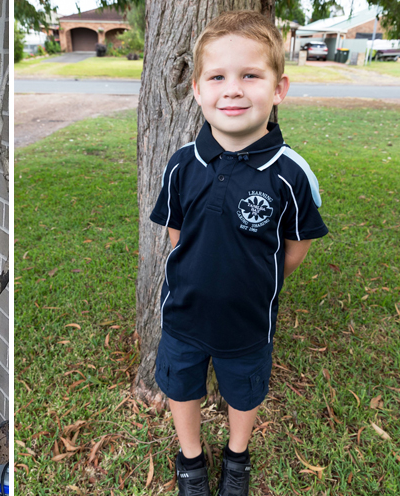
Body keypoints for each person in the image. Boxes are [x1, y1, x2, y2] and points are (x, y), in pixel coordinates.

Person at [149, 11, 328, 496]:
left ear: (278, 89)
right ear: (198, 90)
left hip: (249, 323)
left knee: (243, 393)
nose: (232, 89)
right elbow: (176, 236)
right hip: (184, 316)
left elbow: (295, 248)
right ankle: (191, 461)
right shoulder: (182, 164)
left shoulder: (291, 174)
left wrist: (251, 283)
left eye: (250, 75)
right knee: (181, 387)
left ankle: (236, 457)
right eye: (217, 77)